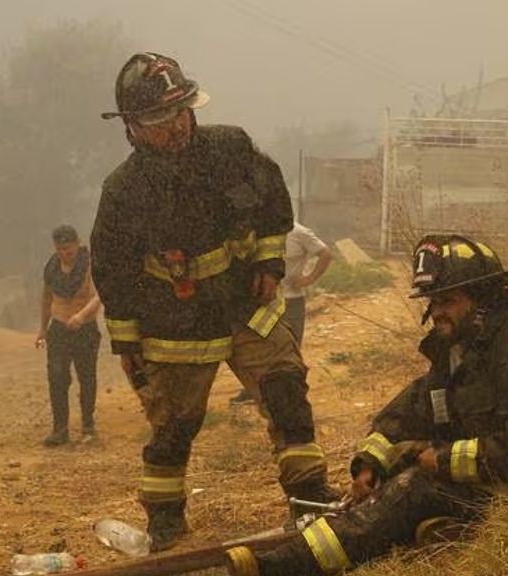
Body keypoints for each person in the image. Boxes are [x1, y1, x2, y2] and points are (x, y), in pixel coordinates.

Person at [225, 234, 508, 576]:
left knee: (415, 486)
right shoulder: (456, 359)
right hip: (493, 489)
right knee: (404, 468)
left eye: (448, 300)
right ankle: (429, 528)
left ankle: (289, 566)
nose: (436, 312)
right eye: (433, 301)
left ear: (484, 301)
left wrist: (442, 460)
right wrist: (370, 465)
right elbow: (405, 416)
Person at [91, 52, 339, 552]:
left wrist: (269, 266)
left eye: (181, 112)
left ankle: (310, 500)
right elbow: (113, 270)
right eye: (161, 120)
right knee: (173, 427)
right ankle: (166, 524)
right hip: (174, 321)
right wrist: (126, 340)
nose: (176, 127)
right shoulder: (122, 191)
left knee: (287, 391)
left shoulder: (232, 148)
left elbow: (274, 206)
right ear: (133, 127)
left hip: (244, 305)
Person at [229, 222, 332, 405]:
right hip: (266, 302)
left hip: (291, 301)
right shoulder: (259, 231)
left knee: (290, 352)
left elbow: (325, 253)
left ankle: (293, 398)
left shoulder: (299, 232)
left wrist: (309, 279)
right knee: (260, 348)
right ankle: (253, 391)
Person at [36, 225, 102, 447]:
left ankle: (88, 426)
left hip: (85, 329)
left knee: (87, 377)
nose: (66, 253)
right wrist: (42, 330)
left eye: (69, 248)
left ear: (77, 244)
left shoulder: (90, 265)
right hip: (59, 328)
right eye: (61, 249)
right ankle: (60, 429)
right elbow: (46, 299)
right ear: (56, 249)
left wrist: (81, 317)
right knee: (56, 377)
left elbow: (98, 297)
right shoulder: (52, 269)